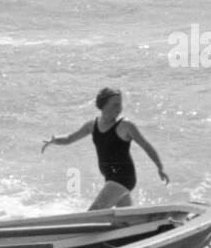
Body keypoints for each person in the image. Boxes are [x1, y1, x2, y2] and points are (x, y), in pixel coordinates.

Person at [41, 86, 169, 210]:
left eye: (120, 104)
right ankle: (144, 226)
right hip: (110, 178)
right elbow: (70, 138)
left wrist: (160, 168)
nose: (119, 108)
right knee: (125, 218)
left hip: (122, 178)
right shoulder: (92, 125)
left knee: (94, 212)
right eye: (115, 104)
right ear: (103, 105)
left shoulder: (125, 126)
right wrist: (54, 140)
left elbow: (146, 146)